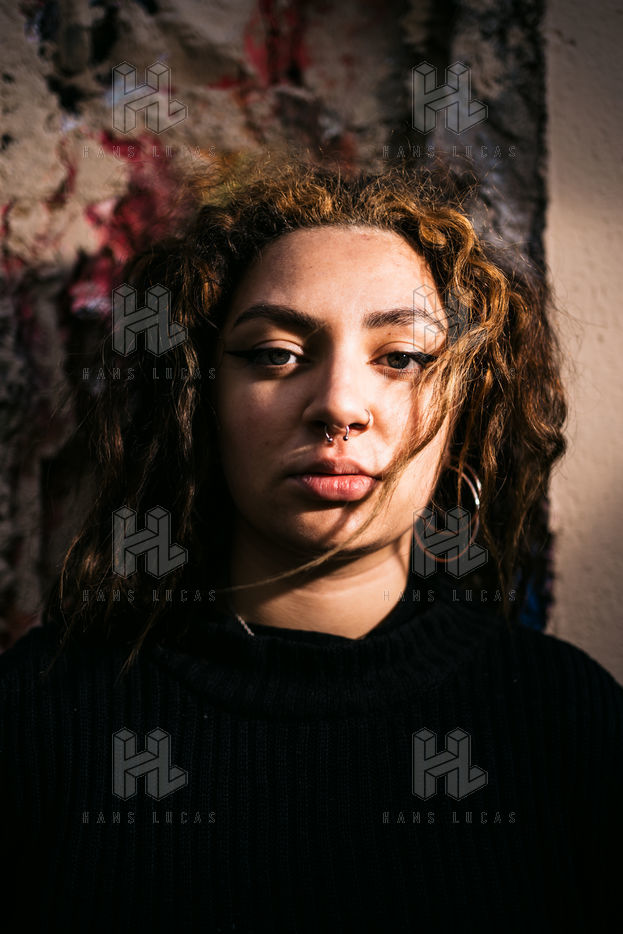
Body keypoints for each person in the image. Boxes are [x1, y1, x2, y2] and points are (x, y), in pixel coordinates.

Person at [1, 154, 621, 933]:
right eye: (275, 355)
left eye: (400, 358)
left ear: (465, 411)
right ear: (200, 398)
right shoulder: (37, 716)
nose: (338, 405)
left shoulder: (563, 721)